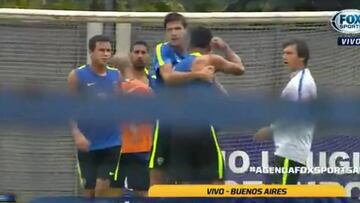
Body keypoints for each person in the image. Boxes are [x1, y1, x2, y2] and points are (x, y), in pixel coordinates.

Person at [170, 26, 245, 183]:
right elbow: (239, 68)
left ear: (189, 45)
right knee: (215, 181)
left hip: (179, 129)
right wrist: (225, 48)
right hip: (201, 127)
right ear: (209, 46)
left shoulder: (179, 67)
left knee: (186, 183)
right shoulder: (208, 59)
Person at [149, 12, 215, 185]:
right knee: (159, 167)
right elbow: (169, 78)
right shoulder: (163, 49)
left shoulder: (194, 54)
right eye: (169, 29)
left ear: (186, 31)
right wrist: (198, 74)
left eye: (178, 28)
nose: (173, 33)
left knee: (188, 174)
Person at [254, 39, 317, 185]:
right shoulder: (297, 80)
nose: (284, 56)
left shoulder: (302, 83)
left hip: (291, 151)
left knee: (281, 197)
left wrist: (271, 129)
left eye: (289, 53)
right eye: (283, 53)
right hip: (286, 150)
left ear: (302, 57)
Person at [67, 35, 122, 197]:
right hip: (88, 143)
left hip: (112, 142)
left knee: (101, 188)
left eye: (108, 50)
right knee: (89, 191)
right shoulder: (77, 76)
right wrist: (77, 135)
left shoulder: (116, 75)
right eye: (101, 50)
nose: (105, 54)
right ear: (91, 52)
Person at [109, 41, 153, 196]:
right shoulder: (143, 89)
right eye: (136, 52)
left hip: (127, 148)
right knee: (140, 191)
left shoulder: (109, 90)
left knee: (115, 191)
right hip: (130, 147)